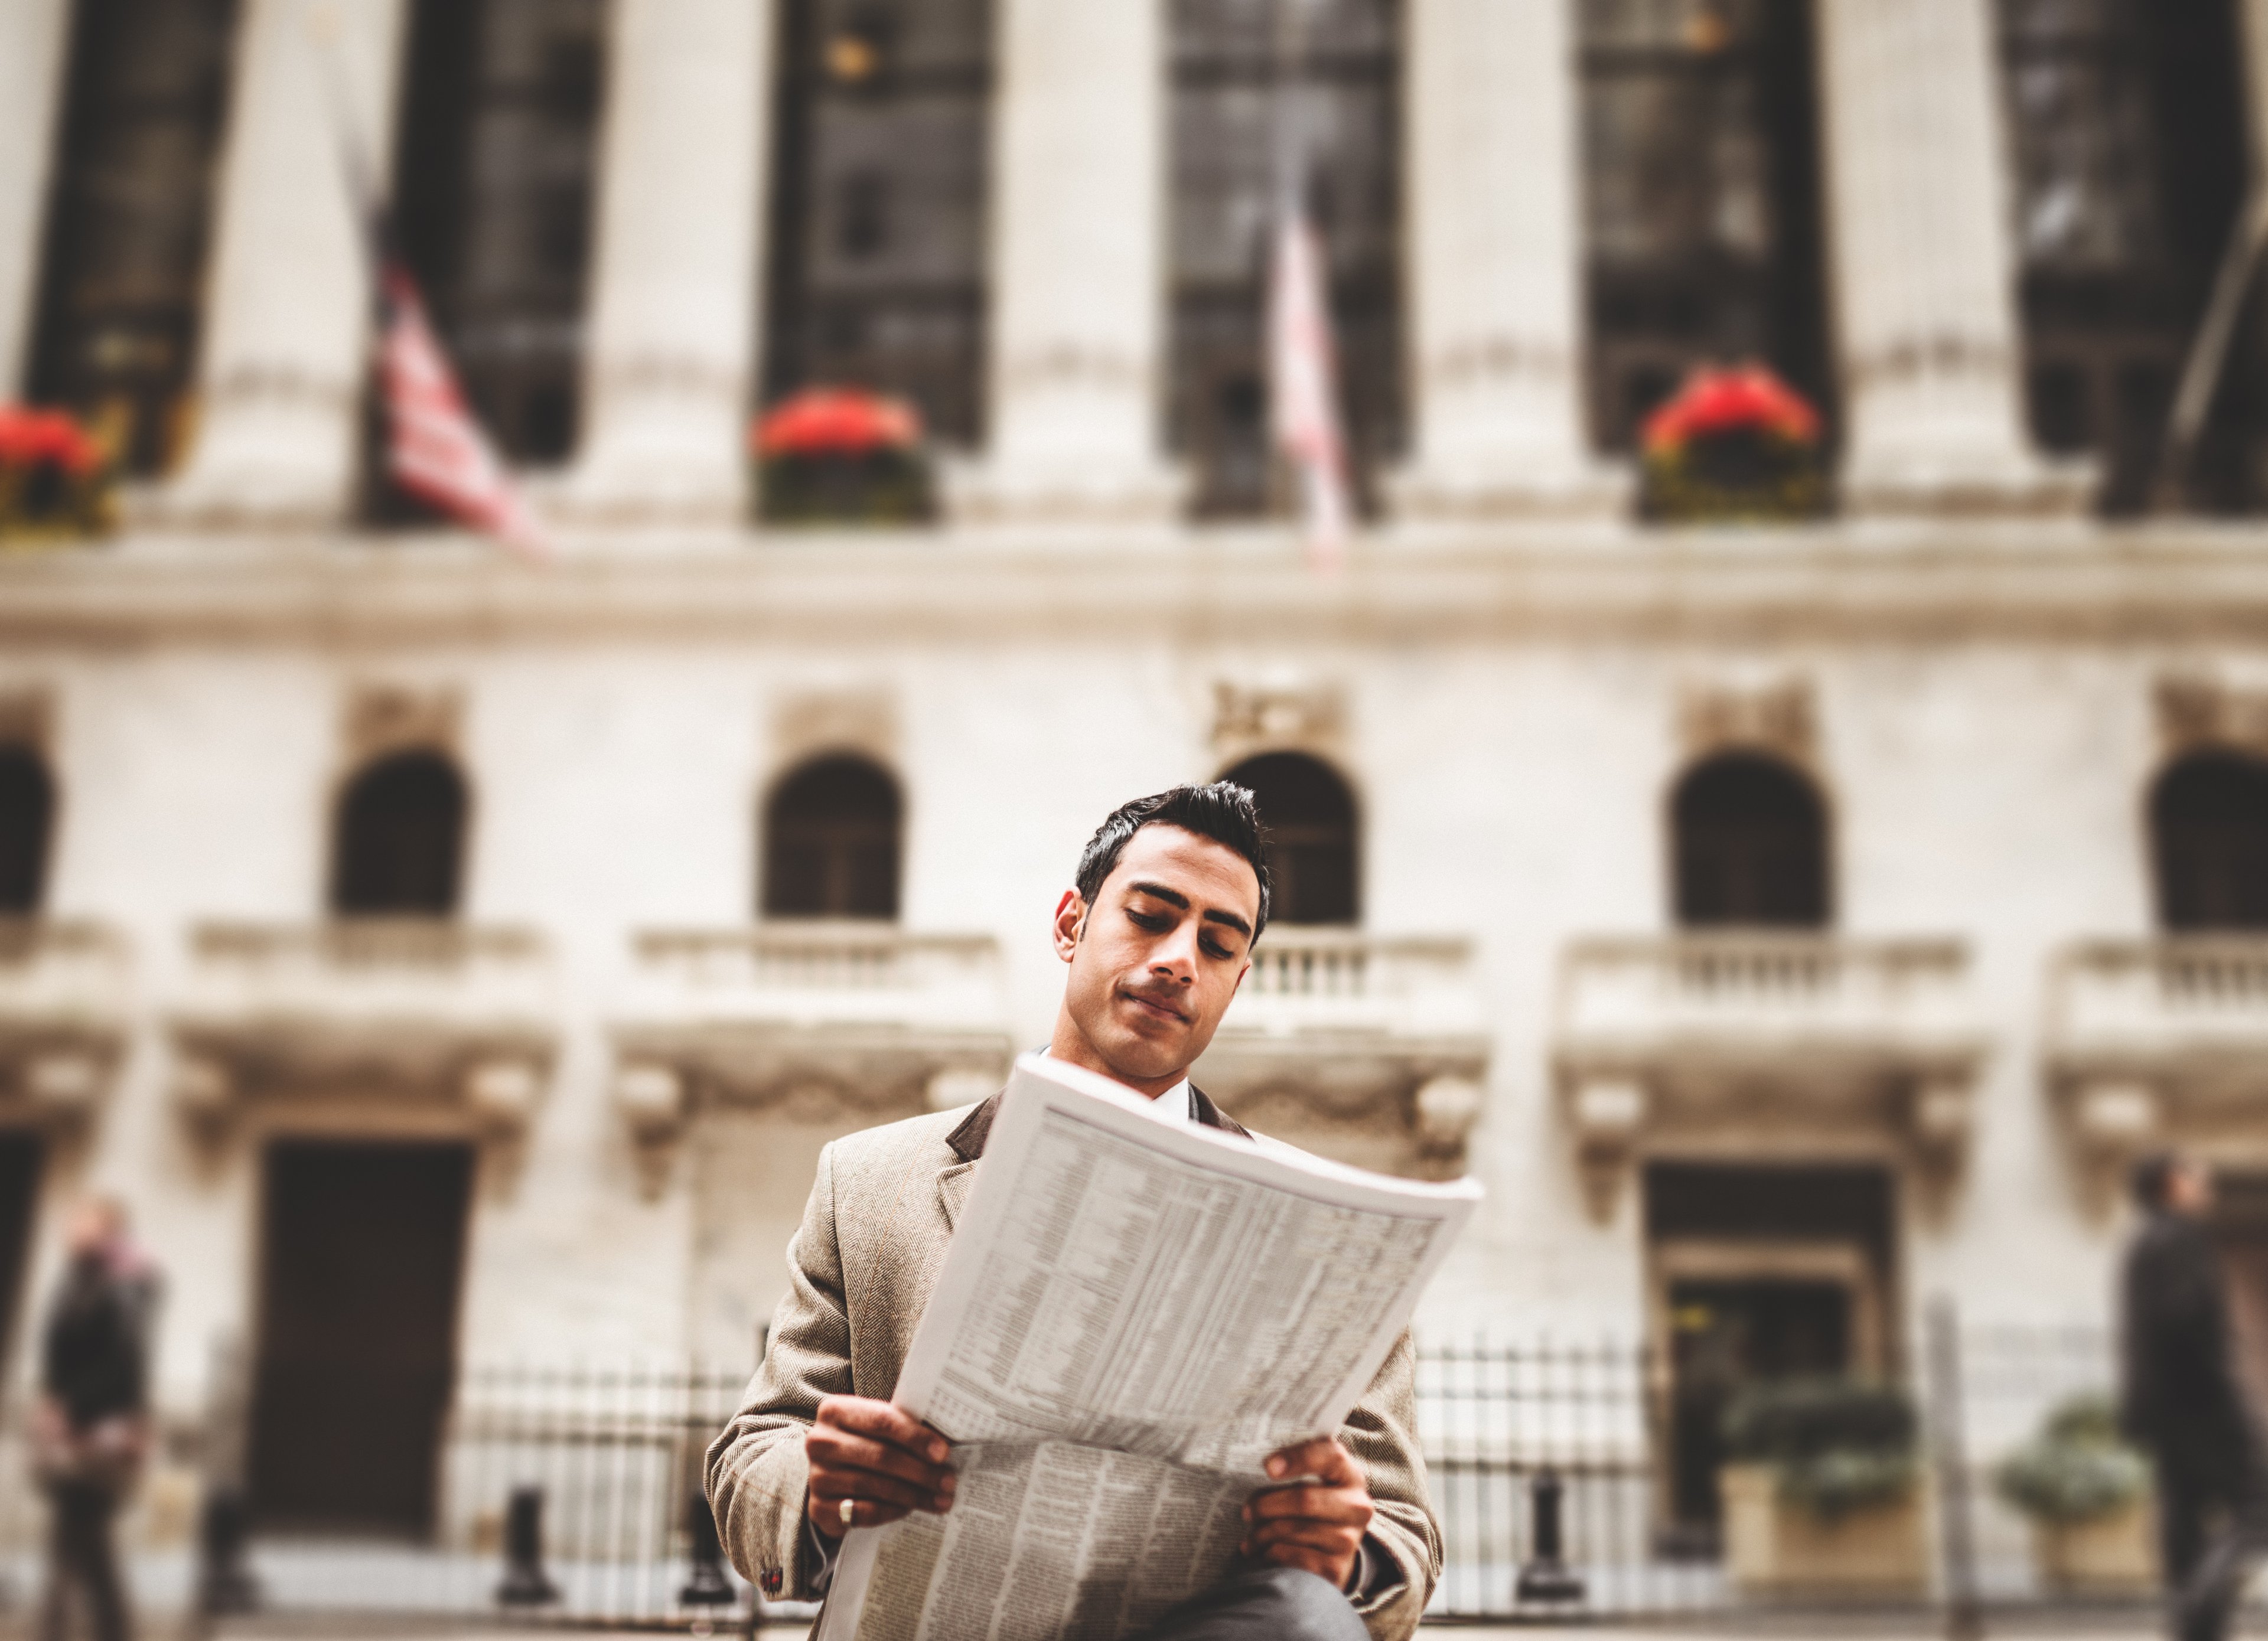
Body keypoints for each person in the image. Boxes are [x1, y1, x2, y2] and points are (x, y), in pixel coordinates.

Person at [708, 783, 1438, 1641]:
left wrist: (1344, 1549)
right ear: (1070, 924)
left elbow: (1401, 1533)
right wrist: (821, 1483)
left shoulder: (1331, 1230)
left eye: (1216, 942)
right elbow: (753, 1452)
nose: (1178, 958)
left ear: (1237, 981)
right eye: (1151, 915)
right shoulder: (868, 1179)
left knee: (1310, 1618)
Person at [2119, 1151, 2266, 1641]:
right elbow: (2186, 1324)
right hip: (2202, 1405)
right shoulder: (2182, 1239)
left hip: (2163, 1411)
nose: (2206, 1179)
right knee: (2256, 1511)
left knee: (2185, 1521)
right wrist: (2229, 1395)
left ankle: (2197, 1631)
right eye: (2194, 1172)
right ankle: (2195, 1608)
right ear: (2174, 1184)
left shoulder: (2141, 1243)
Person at [34, 1195, 159, 1641]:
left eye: (81, 1219)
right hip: (76, 1422)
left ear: (108, 1230)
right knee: (81, 1535)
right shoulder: (75, 1278)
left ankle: (63, 1627)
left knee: (79, 1532)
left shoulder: (121, 1282)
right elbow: (55, 1349)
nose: (70, 1226)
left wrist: (70, 1408)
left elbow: (124, 1361)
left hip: (99, 1425)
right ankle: (100, 1628)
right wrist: (49, 1399)